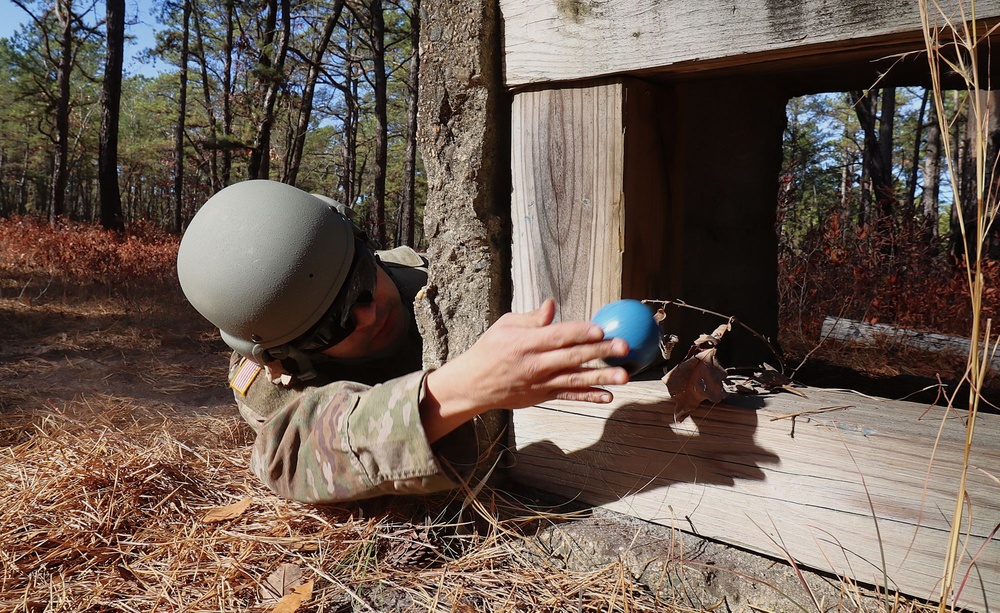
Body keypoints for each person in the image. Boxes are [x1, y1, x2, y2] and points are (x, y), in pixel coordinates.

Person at [176, 180, 630, 503]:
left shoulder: (431, 275)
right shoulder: (268, 381)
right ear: (287, 354)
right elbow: (293, 457)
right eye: (333, 325)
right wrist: (465, 388)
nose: (369, 313)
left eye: (361, 279)